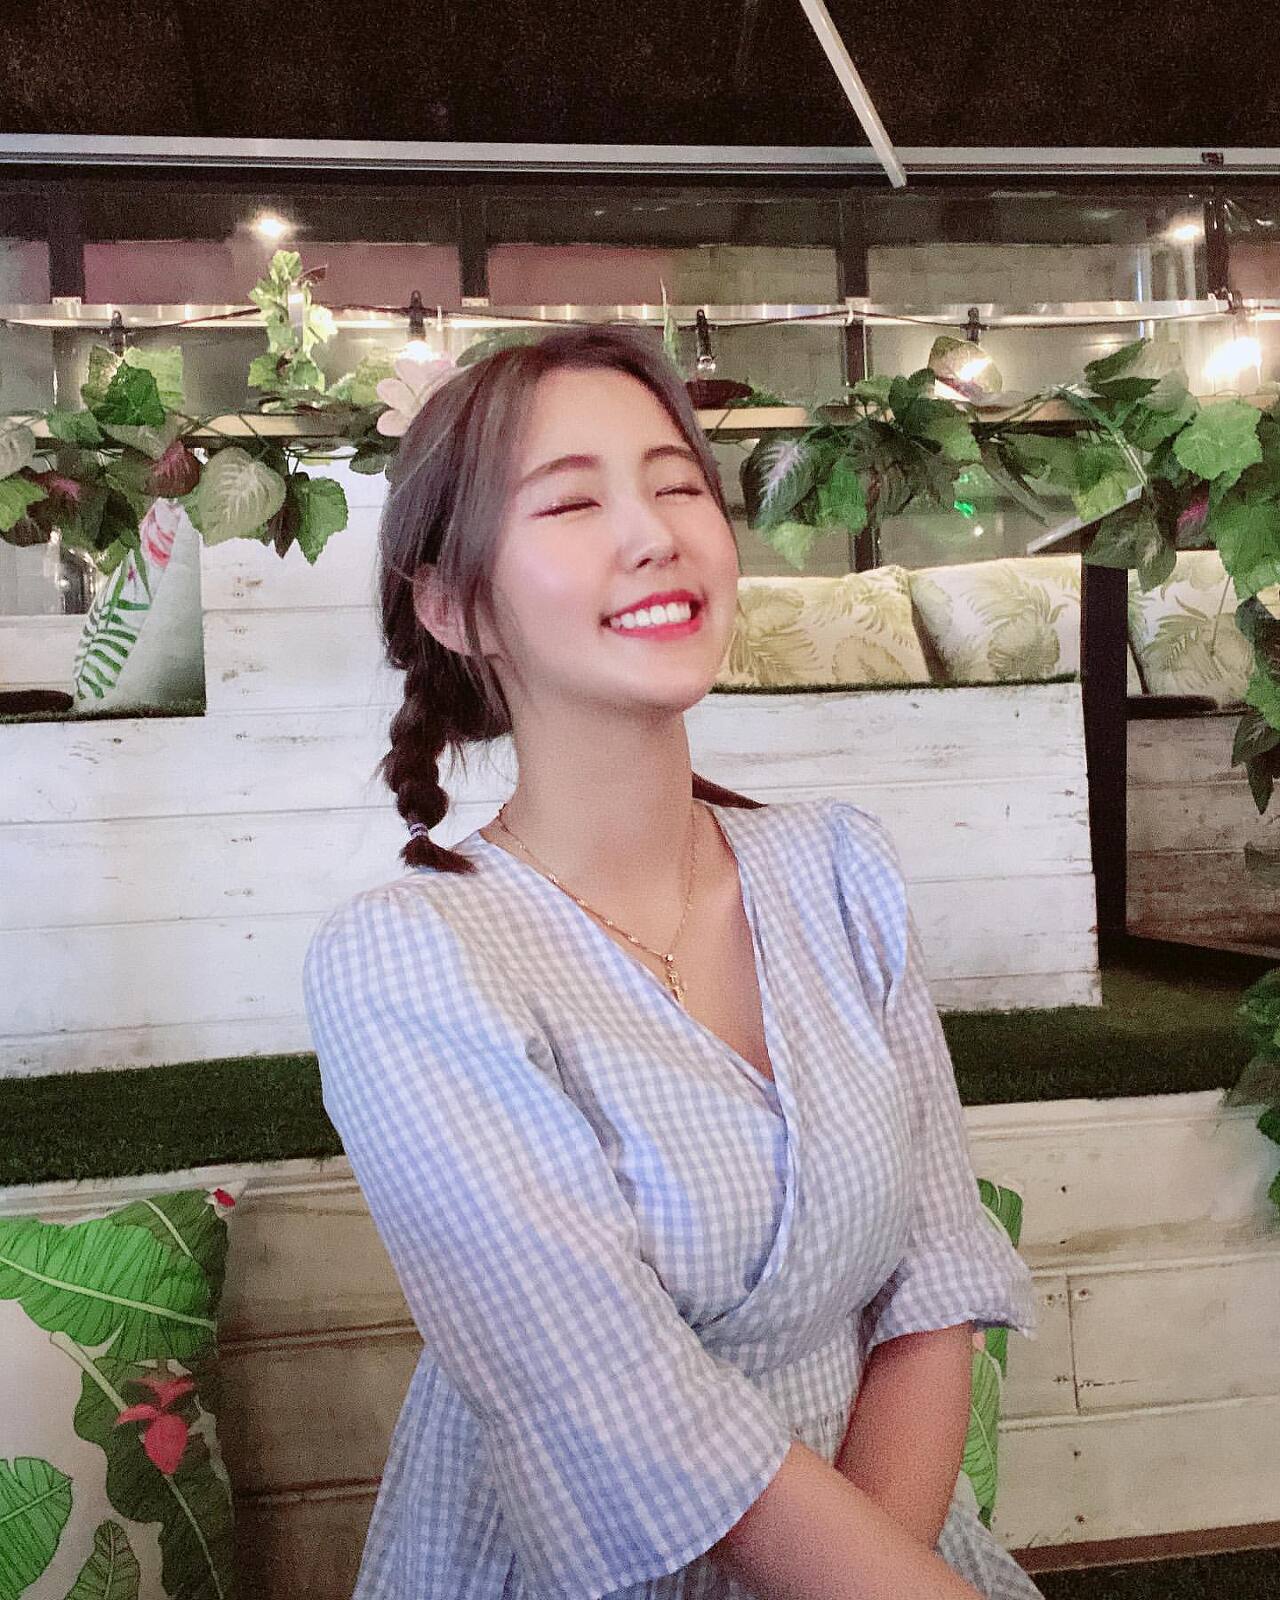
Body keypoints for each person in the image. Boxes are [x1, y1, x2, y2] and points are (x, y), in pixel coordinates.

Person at [302, 323, 1044, 1600]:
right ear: (452, 603)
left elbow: (933, 1274)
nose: (652, 533)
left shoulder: (838, 871)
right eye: (571, 501)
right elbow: (621, 1403)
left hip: (883, 1540)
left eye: (677, 484)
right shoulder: (410, 958)